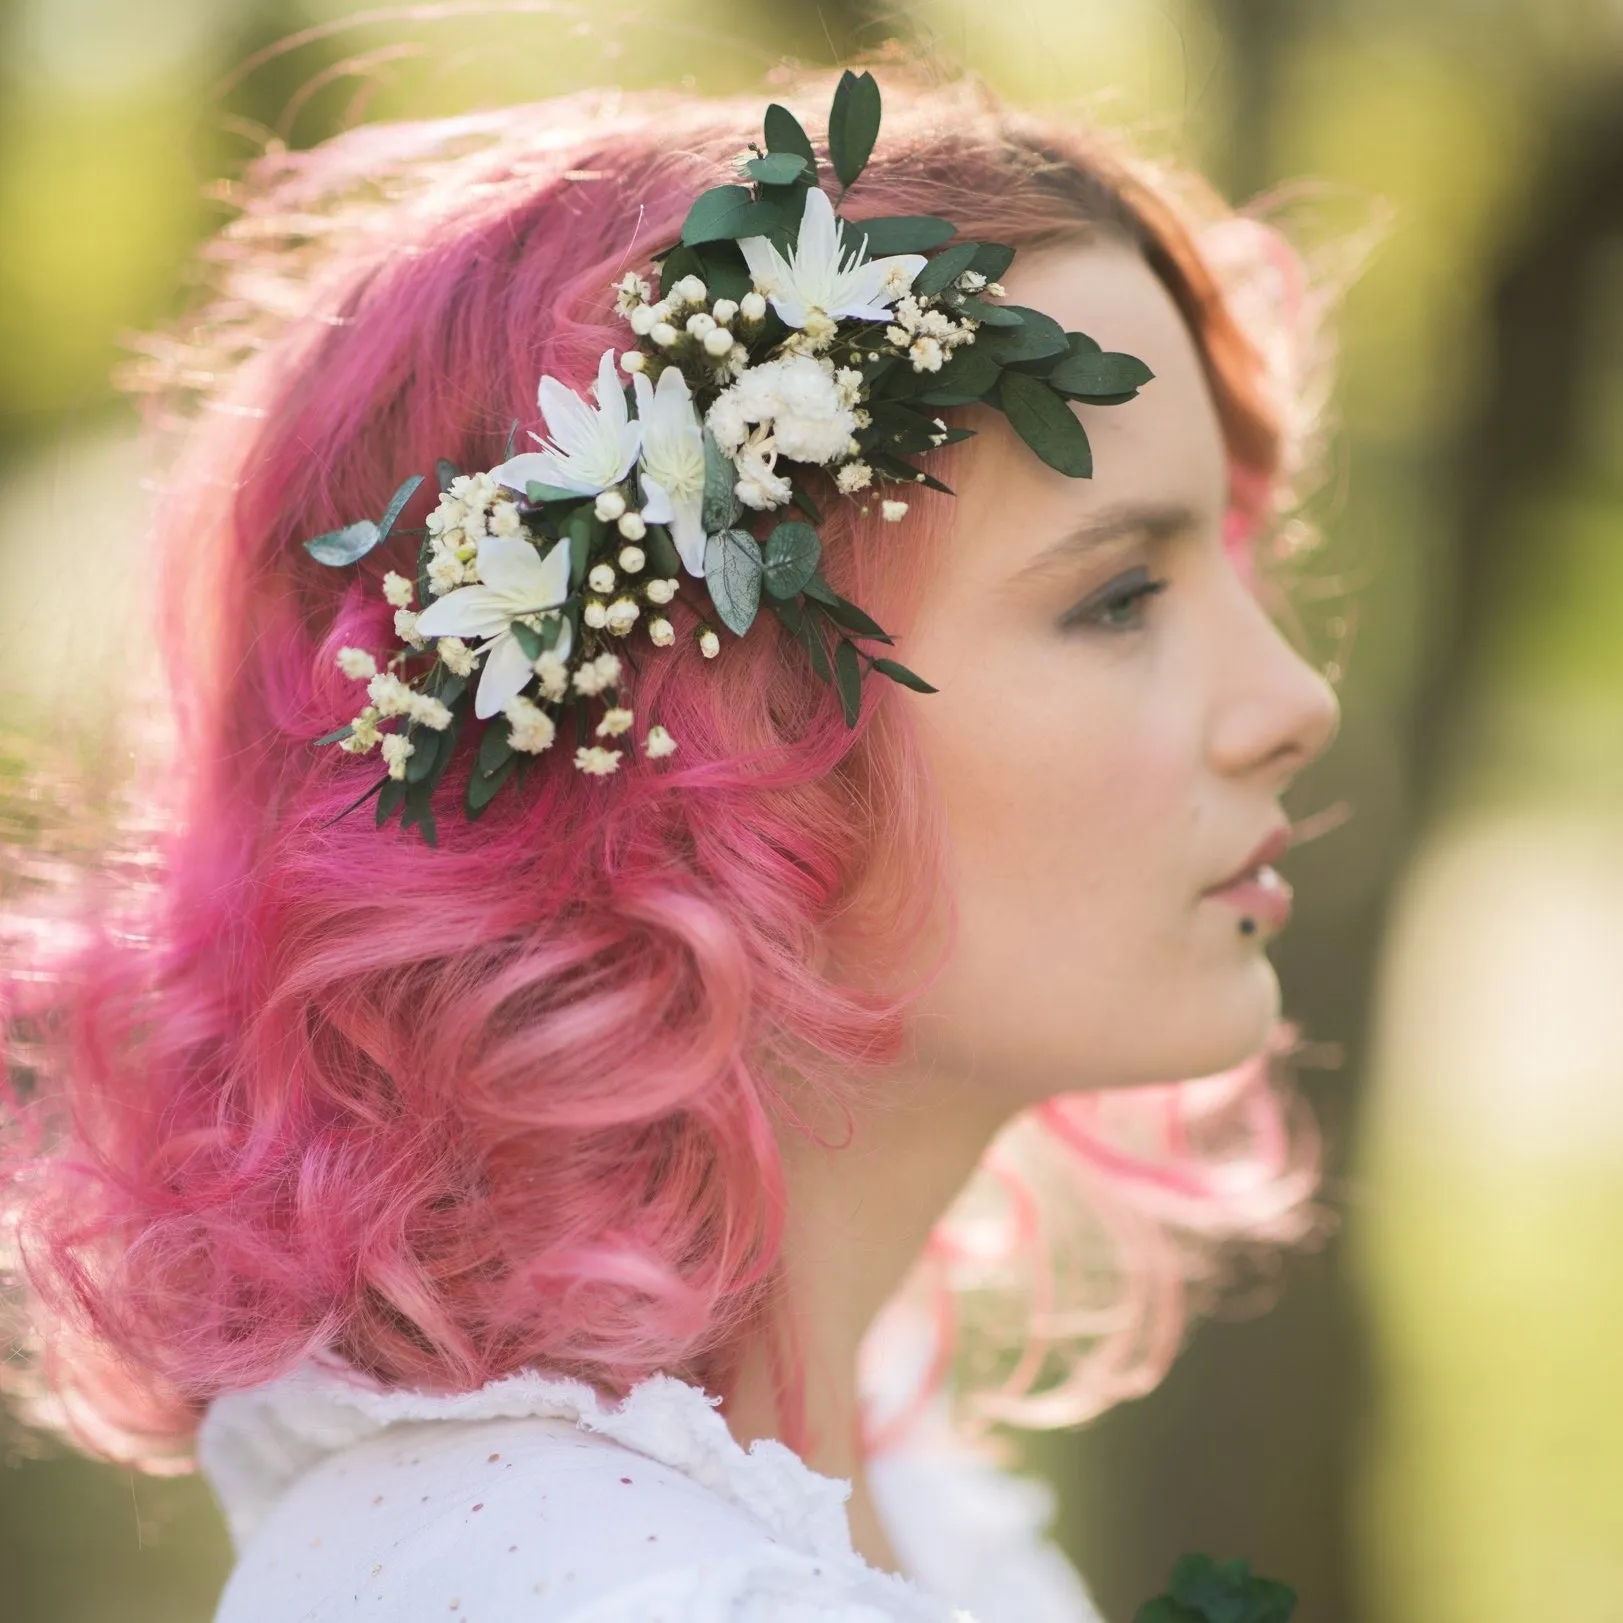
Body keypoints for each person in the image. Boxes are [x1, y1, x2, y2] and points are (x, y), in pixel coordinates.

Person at [1, 59, 1342, 1623]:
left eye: (1232, 569)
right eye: (1116, 598)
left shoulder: (872, 1495)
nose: (1293, 700)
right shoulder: (565, 1587)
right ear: (712, 749)